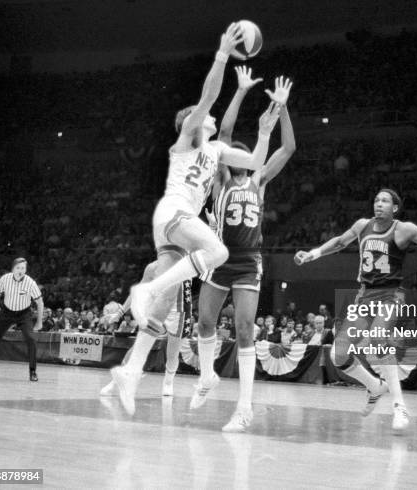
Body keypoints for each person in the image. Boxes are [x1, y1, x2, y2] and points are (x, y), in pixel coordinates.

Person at [111, 24, 280, 415]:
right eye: (205, 116)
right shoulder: (187, 137)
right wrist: (222, 53)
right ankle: (145, 290)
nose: (211, 117)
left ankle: (130, 371)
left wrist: (264, 131)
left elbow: (255, 162)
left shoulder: (218, 150)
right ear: (193, 122)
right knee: (217, 251)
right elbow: (208, 97)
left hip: (178, 228)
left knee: (163, 307)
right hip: (174, 212)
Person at [295, 189, 417, 431]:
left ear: (395, 208)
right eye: (376, 200)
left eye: (385, 201)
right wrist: (313, 254)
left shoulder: (404, 229)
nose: (379, 204)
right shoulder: (362, 225)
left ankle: (399, 406)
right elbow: (339, 242)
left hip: (391, 295)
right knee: (338, 354)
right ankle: (376, 386)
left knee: (379, 338)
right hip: (365, 296)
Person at [195, 69, 294, 431]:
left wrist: (281, 108)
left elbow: (289, 149)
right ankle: (207, 376)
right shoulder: (219, 180)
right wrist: (238, 91)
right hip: (221, 258)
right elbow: (223, 134)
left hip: (249, 262)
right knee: (205, 321)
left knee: (244, 329)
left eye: (241, 151)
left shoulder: (259, 179)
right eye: (232, 152)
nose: (235, 153)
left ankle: (245, 407)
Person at [100, 261, 190, 403]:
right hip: (157, 309)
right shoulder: (153, 267)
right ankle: (115, 382)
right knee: (138, 348)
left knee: (172, 353)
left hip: (179, 311)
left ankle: (168, 383)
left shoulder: (189, 262)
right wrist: (119, 313)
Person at [0, 258, 43, 382]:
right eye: (18, 268)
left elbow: (39, 302)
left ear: (26, 270)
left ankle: (32, 371)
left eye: (23, 268)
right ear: (13, 269)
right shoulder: (4, 279)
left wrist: (39, 322)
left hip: (24, 314)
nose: (20, 271)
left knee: (31, 339)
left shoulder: (30, 283)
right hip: (7, 312)